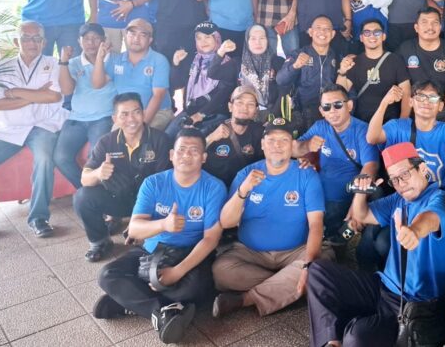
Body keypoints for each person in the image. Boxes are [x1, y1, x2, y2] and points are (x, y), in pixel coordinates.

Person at [306, 142, 445, 347]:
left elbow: (431, 218)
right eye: (394, 179)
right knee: (317, 271)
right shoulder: (398, 199)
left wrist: (414, 231)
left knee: (357, 337)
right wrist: (361, 192)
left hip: (412, 304)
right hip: (383, 286)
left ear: (422, 168)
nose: (401, 184)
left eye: (405, 174)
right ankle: (330, 342)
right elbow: (362, 215)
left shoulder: (440, 198)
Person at [94, 128, 227, 344]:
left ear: (203, 157)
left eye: (194, 151)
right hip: (152, 249)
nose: (186, 155)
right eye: (181, 150)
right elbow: (135, 229)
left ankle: (127, 300)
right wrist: (163, 224)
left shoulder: (214, 187)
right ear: (171, 155)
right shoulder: (153, 183)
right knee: (107, 275)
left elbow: (211, 239)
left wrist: (177, 271)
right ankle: (162, 312)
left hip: (190, 252)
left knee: (197, 289)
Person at [211, 118, 333, 317]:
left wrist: (308, 265)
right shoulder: (245, 175)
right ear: (262, 144)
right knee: (220, 271)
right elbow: (226, 222)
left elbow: (316, 224)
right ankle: (289, 286)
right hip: (251, 253)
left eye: (284, 140)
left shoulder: (306, 174)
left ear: (292, 145)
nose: (277, 145)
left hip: (296, 251)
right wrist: (243, 190)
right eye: (271, 140)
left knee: (320, 262)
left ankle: (246, 299)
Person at [0, 21, 67, 244]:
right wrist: (35, 95)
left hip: (43, 125)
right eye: (26, 38)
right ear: (17, 41)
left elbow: (53, 97)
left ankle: (39, 218)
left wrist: (16, 92)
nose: (32, 43)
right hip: (9, 129)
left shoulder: (52, 63)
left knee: (44, 159)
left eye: (37, 38)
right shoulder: (2, 67)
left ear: (44, 42)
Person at [73, 92, 172, 261]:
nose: (131, 119)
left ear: (143, 113)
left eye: (136, 112)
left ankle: (152, 234)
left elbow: (166, 184)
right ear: (115, 119)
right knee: (82, 196)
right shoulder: (106, 142)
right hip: (119, 199)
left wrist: (140, 222)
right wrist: (98, 173)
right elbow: (85, 179)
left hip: (152, 202)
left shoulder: (160, 140)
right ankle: (100, 242)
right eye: (124, 114)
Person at [294, 85, 379, 243]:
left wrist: (357, 203)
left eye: (338, 105)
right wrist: (306, 146)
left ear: (350, 105)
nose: (332, 111)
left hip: (343, 198)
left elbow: (371, 166)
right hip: (315, 191)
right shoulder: (320, 127)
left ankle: (335, 240)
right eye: (327, 107)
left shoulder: (362, 130)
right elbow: (293, 149)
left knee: (335, 237)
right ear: (321, 111)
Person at [368, 80, 445, 191]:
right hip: (404, 194)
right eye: (420, 97)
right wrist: (384, 103)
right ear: (411, 102)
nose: (426, 102)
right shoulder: (398, 127)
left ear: (441, 106)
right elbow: (372, 138)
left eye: (433, 98)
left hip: (438, 195)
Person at [53, 23, 116, 189]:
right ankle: (86, 192)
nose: (91, 43)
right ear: (79, 41)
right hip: (76, 119)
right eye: (86, 39)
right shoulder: (73, 63)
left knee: (94, 158)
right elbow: (66, 90)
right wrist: (63, 62)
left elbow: (98, 83)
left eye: (96, 38)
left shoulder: (114, 60)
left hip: (103, 118)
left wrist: (101, 58)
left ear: (104, 40)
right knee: (60, 157)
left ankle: (92, 195)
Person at [92, 18, 174, 130]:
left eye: (142, 35)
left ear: (150, 39)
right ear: (126, 36)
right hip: (126, 113)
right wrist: (99, 58)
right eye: (132, 33)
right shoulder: (116, 59)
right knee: (115, 138)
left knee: (142, 137)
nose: (136, 39)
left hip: (158, 112)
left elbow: (158, 96)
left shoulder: (159, 60)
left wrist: (141, 126)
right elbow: (97, 84)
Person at [397, 8, 445, 129]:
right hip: (415, 108)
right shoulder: (405, 49)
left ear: (440, 27)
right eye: (424, 22)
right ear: (416, 27)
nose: (430, 27)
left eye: (435, 23)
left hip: (444, 109)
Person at [165, 22, 236, 138]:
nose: (203, 42)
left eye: (207, 37)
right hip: (189, 113)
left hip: (214, 114)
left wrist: (200, 115)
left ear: (217, 38)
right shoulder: (193, 59)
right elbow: (177, 84)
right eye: (199, 38)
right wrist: (176, 65)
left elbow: (221, 96)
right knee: (167, 137)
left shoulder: (228, 62)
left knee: (196, 140)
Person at [336, 18, 411, 122]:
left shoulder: (395, 60)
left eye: (377, 32)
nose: (372, 36)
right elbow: (339, 93)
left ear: (383, 36)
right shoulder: (355, 62)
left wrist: (403, 121)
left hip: (390, 123)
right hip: (362, 123)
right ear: (361, 38)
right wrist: (342, 71)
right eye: (367, 32)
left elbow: (406, 92)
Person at [208, 24, 287, 120]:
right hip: (244, 113)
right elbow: (213, 73)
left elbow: (284, 91)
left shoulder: (278, 61)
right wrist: (221, 51)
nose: (258, 42)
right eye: (253, 38)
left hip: (272, 114)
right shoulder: (238, 63)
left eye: (262, 38)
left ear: (267, 40)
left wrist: (272, 117)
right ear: (247, 41)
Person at [276, 15, 340, 127]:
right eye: (318, 28)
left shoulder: (337, 57)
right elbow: (280, 80)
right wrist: (295, 66)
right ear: (310, 32)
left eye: (326, 29)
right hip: (303, 114)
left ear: (333, 34)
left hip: (329, 113)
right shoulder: (298, 54)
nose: (322, 32)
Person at [203, 86, 265, 189]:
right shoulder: (212, 130)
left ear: (256, 110)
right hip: (215, 190)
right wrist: (210, 138)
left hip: (246, 190)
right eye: (239, 103)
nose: (244, 108)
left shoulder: (260, 132)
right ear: (230, 106)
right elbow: (192, 152)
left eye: (250, 104)